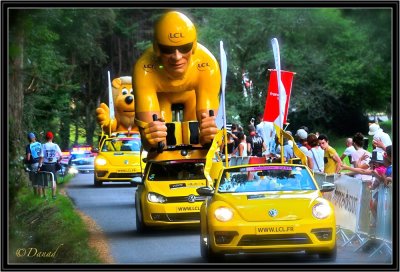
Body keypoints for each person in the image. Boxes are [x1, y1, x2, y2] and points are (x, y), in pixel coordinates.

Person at [133, 11, 221, 151]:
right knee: (159, 141)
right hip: (162, 97)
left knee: (198, 140)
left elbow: (209, 124)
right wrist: (151, 138)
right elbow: (147, 138)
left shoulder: (208, 65)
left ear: (194, 46)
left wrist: (208, 135)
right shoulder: (144, 68)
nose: (177, 57)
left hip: (192, 95)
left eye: (184, 48)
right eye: (168, 50)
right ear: (156, 48)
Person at [39, 131, 62, 199]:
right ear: (52, 137)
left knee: (44, 180)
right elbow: (61, 156)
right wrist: (58, 161)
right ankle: (53, 195)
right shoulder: (55, 145)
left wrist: (39, 166)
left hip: (45, 165)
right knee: (53, 180)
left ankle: (45, 195)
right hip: (53, 165)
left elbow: (41, 157)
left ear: (46, 138)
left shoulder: (44, 145)